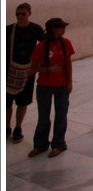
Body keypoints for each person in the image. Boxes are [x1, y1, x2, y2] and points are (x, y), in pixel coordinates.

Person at [28, 17, 74, 158]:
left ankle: (59, 144)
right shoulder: (41, 46)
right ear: (54, 29)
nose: (64, 29)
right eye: (62, 27)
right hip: (44, 87)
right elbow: (32, 69)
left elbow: (68, 64)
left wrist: (70, 82)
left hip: (61, 86)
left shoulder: (66, 43)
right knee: (43, 117)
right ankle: (40, 145)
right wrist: (48, 69)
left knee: (61, 116)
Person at [6, 3, 45, 143]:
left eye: (23, 13)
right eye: (18, 14)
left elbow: (44, 46)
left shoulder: (35, 29)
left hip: (27, 72)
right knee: (7, 103)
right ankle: (6, 128)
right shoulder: (9, 29)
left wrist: (38, 66)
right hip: (8, 72)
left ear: (29, 13)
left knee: (22, 103)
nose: (20, 16)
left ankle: (18, 128)